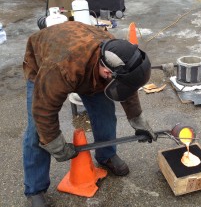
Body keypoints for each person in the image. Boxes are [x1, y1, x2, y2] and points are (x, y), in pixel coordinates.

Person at [22, 21, 157, 207]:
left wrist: (138, 121)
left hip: (87, 66)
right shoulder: (60, 67)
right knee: (37, 131)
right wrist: (55, 143)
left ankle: (106, 155)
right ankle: (35, 188)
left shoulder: (118, 55)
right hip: (45, 64)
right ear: (106, 70)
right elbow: (43, 111)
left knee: (105, 114)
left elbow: (127, 85)